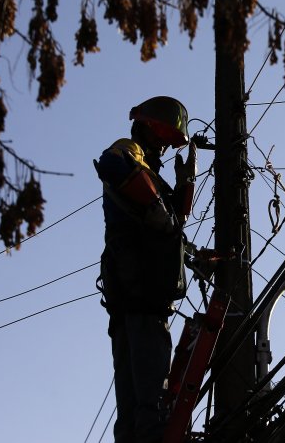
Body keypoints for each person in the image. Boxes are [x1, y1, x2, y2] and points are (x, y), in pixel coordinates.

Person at [94, 96, 196, 443]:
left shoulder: (147, 180)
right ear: (150, 131)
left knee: (132, 409)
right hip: (143, 293)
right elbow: (113, 163)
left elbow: (169, 226)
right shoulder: (129, 153)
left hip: (128, 296)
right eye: (163, 141)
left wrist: (183, 191)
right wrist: (159, 206)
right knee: (152, 405)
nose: (165, 150)